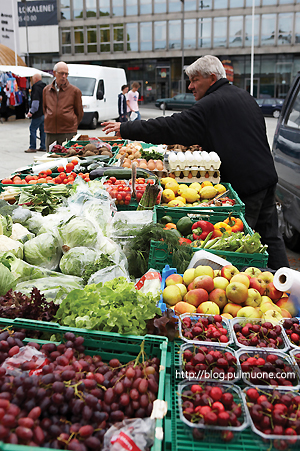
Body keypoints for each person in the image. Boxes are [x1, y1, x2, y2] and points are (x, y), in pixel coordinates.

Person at [102, 55, 289, 270]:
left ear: (211, 78)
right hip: (265, 177)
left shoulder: (212, 103)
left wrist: (125, 128)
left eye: (194, 80)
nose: (190, 86)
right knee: (271, 238)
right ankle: (289, 287)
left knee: (238, 247)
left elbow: (171, 127)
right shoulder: (241, 95)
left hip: (246, 185)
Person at [43, 61, 83, 151]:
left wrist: (72, 124)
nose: (64, 76)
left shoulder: (74, 91)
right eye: (61, 73)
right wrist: (49, 118)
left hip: (68, 131)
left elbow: (79, 112)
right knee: (50, 158)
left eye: (66, 74)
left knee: (68, 157)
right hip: (51, 131)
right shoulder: (46, 90)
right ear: (54, 73)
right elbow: (44, 108)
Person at [24, 73, 46, 153]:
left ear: (35, 79)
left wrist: (31, 112)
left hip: (38, 113)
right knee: (43, 130)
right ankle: (43, 146)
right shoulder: (45, 87)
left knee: (32, 129)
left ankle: (32, 147)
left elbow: (36, 102)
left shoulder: (36, 87)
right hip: (44, 112)